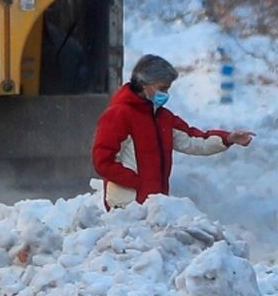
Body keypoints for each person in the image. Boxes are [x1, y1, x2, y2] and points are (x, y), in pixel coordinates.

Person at [92, 54, 254, 209]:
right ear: (144, 84)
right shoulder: (119, 115)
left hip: (154, 205)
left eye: (167, 89)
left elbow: (193, 140)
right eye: (162, 88)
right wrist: (137, 182)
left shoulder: (163, 117)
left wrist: (228, 138)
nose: (165, 94)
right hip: (125, 207)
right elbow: (103, 161)